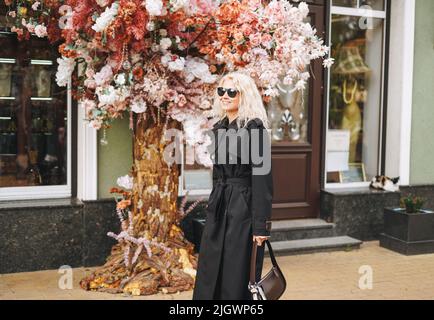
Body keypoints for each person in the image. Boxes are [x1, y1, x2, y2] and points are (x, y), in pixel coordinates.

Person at [192, 71, 274, 300]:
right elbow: (218, 175)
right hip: (219, 206)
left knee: (235, 270)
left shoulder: (255, 129)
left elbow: (263, 179)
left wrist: (261, 226)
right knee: (210, 265)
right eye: (221, 91)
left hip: (244, 208)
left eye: (231, 92)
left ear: (244, 96)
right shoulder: (220, 127)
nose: (224, 96)